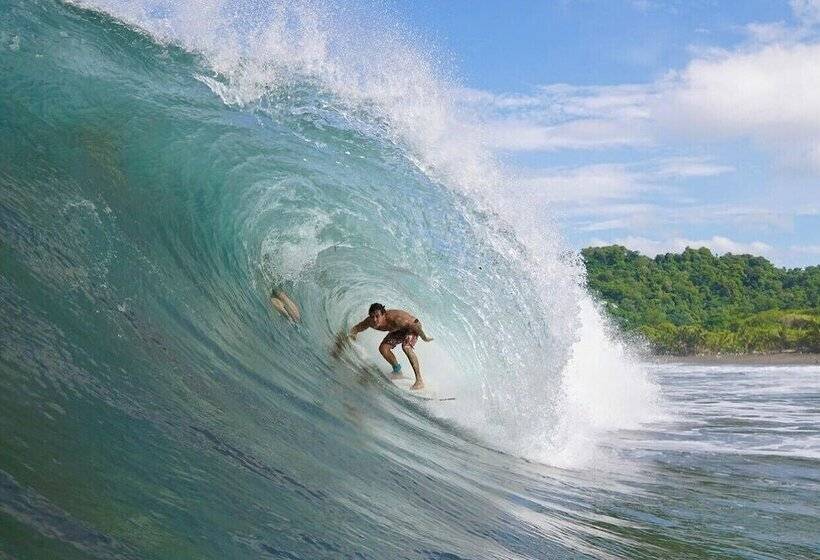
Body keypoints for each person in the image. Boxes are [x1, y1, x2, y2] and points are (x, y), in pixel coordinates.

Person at [349, 303, 433, 390]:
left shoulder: (396, 319)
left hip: (413, 327)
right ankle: (397, 372)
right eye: (372, 316)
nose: (374, 319)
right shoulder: (369, 322)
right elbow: (356, 329)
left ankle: (419, 381)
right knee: (383, 348)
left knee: (406, 347)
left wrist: (424, 337)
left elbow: (414, 325)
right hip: (398, 329)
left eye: (377, 316)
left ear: (383, 314)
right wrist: (351, 339)